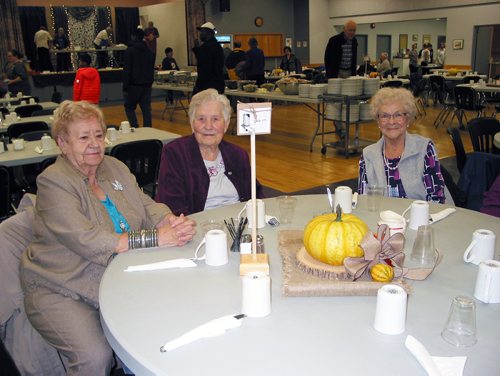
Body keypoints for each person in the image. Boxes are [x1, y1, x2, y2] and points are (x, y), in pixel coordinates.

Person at [20, 100, 196, 375]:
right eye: (84, 137)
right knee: (95, 356)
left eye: (99, 135)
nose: (94, 143)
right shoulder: (53, 181)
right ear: (63, 143)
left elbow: (145, 203)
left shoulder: (113, 167)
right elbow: (88, 240)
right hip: (61, 285)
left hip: (118, 275)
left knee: (164, 321)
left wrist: (170, 221)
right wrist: (156, 238)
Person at [156, 89, 264, 216]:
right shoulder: (175, 153)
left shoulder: (237, 155)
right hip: (197, 227)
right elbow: (172, 205)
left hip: (239, 223)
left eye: (215, 119)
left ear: (226, 124)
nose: (208, 126)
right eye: (201, 119)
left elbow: (256, 195)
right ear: (192, 123)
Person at [358, 87, 447, 203]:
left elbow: (437, 199)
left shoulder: (424, 148)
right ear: (378, 121)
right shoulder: (368, 155)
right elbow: (364, 201)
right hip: (381, 219)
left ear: (408, 118)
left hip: (421, 219)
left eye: (398, 115)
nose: (391, 122)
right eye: (385, 116)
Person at [123, 28, 155, 127]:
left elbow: (127, 70)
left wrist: (125, 86)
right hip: (147, 84)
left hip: (133, 85)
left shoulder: (130, 50)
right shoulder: (149, 51)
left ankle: (134, 127)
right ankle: (148, 130)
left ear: (133, 36)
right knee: (146, 109)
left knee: (129, 107)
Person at [192, 22, 225, 95]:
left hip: (207, 86)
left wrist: (198, 87)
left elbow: (204, 68)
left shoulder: (206, 47)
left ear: (208, 33)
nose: (200, 34)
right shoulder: (217, 46)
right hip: (217, 85)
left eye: (202, 32)